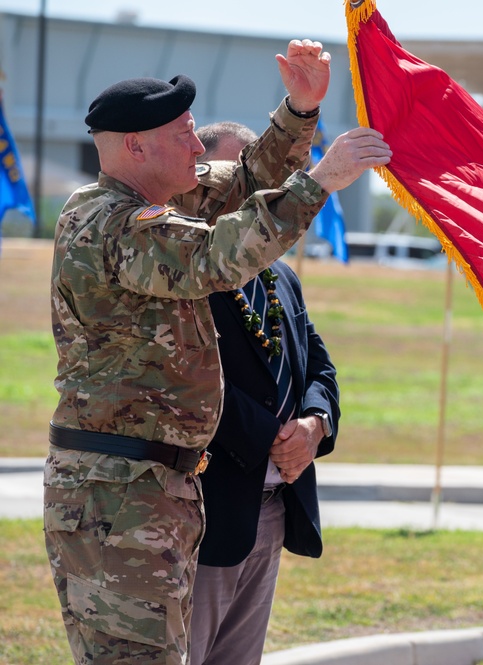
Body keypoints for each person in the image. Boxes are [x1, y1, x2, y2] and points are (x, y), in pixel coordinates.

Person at [44, 39, 391, 664]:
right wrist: (322, 182)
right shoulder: (108, 223)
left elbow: (253, 180)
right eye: (185, 135)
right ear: (136, 147)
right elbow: (218, 255)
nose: (200, 148)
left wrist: (300, 110)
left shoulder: (154, 200)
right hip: (116, 496)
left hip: (154, 487)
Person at [185, 122, 338, 665]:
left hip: (270, 507)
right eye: (239, 183)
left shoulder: (279, 276)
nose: (259, 197)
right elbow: (190, 383)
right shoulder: (187, 272)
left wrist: (314, 426)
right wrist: (275, 437)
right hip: (207, 508)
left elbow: (318, 366)